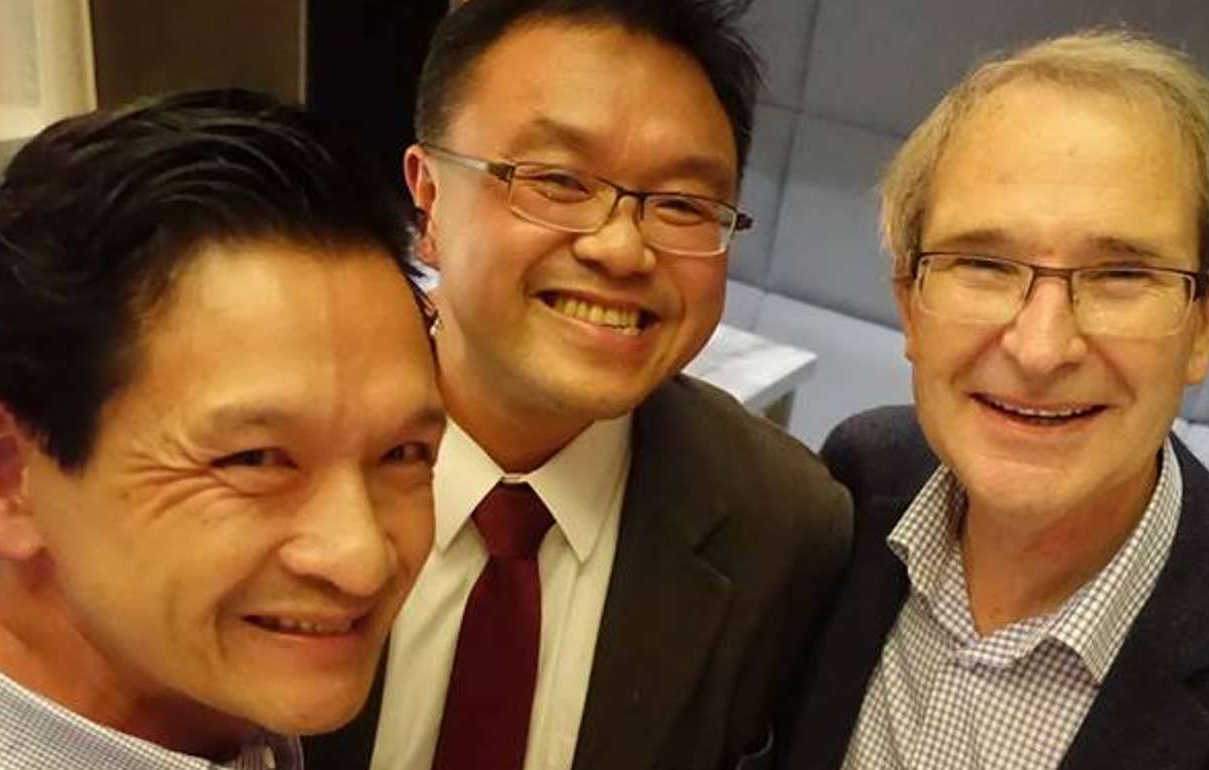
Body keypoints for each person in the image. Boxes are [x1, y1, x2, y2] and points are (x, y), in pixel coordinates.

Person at [302, 2, 853, 769]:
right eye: (558, 181)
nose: (622, 248)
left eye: (684, 205)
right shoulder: (266, 456)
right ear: (428, 198)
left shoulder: (785, 526)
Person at [782, 29, 1209, 770]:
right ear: (910, 303)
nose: (1041, 349)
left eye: (1121, 275)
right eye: (983, 263)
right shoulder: (854, 486)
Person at [0, 90, 446, 770]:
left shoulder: (216, 707)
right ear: (3, 471)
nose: (361, 559)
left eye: (403, 454)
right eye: (255, 460)